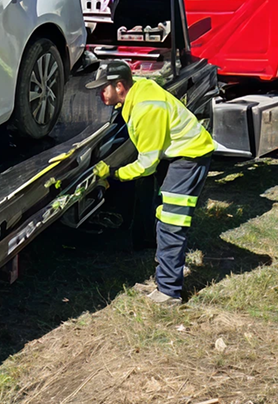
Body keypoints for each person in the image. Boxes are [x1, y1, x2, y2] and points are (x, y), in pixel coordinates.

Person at [86, 60, 215, 306]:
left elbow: (146, 165)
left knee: (171, 221)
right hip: (177, 153)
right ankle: (164, 278)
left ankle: (169, 292)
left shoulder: (146, 109)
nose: (99, 93)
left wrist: (113, 174)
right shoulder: (138, 91)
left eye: (104, 88)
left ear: (120, 87)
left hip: (190, 157)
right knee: (161, 213)